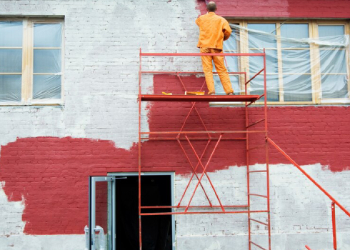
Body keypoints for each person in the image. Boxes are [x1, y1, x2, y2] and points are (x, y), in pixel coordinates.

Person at [196, 1, 234, 95]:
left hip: (205, 46)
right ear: (216, 9)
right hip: (216, 46)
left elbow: (198, 22)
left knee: (208, 70)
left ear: (207, 9)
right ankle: (229, 91)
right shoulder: (221, 20)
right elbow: (228, 31)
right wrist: (223, 38)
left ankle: (212, 91)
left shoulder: (202, 18)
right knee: (221, 69)